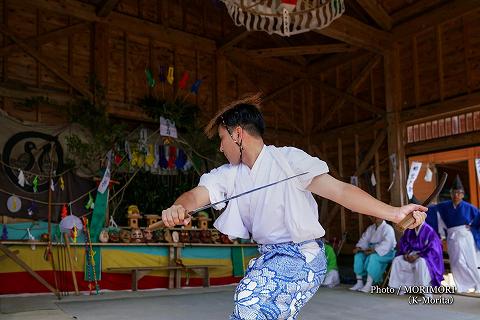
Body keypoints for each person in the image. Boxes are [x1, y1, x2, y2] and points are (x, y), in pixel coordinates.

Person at [160, 94, 427, 320]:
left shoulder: (290, 161)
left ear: (237, 133)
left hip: (303, 257)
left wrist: (394, 213)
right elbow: (195, 196)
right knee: (249, 303)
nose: (220, 147)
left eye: (221, 138)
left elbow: (341, 191)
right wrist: (177, 207)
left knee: (251, 303)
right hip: (269, 258)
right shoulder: (229, 174)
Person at [427, 175, 480, 293]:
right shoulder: (444, 206)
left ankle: (478, 284)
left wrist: (473, 227)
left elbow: (478, 219)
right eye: (454, 193)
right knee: (456, 262)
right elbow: (431, 210)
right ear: (451, 193)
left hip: (466, 235)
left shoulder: (469, 207)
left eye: (459, 193)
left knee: (471, 261)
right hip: (452, 236)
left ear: (462, 194)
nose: (456, 195)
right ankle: (463, 286)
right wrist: (419, 206)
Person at [388, 222, 444, 294]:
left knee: (421, 262)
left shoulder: (429, 231)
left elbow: (433, 249)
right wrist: (405, 253)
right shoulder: (409, 230)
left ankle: (425, 290)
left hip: (424, 256)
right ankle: (401, 287)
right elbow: (404, 243)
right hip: (410, 253)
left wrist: (418, 255)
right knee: (397, 260)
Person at [349, 217, 396, 293]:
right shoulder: (371, 228)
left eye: (379, 216)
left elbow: (387, 244)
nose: (377, 218)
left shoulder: (388, 228)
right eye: (375, 216)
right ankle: (359, 282)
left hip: (386, 253)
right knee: (358, 256)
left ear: (383, 217)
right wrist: (359, 247)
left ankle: (369, 284)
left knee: (373, 257)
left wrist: (374, 250)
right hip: (370, 250)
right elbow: (364, 239)